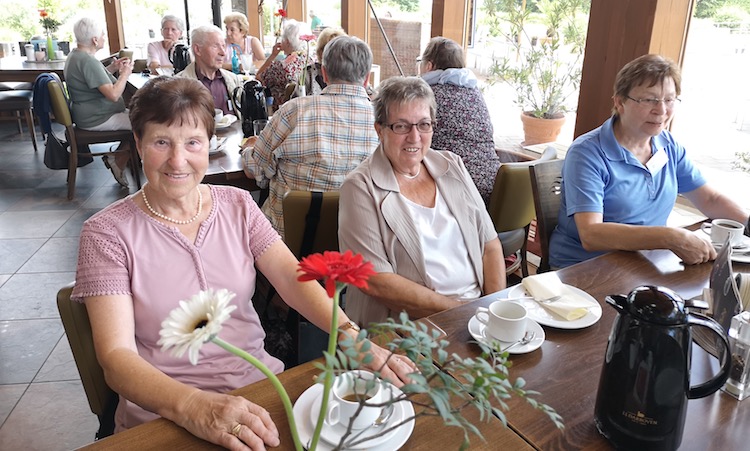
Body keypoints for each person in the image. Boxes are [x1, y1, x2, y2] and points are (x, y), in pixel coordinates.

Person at [71, 77, 413, 447]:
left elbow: (291, 278)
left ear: (209, 144)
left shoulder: (237, 204)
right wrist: (194, 407)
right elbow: (116, 357)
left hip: (258, 390)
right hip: (164, 413)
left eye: (192, 142)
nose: (178, 160)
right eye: (161, 142)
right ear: (138, 144)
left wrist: (351, 336)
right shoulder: (105, 233)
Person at [550, 54, 750, 268]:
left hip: (645, 263)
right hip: (585, 268)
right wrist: (670, 237)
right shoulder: (587, 153)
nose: (661, 110)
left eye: (669, 100)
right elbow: (591, 234)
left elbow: (709, 199)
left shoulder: (668, 145)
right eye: (649, 100)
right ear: (620, 102)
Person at [338, 77, 506, 328]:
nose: (414, 137)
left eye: (424, 125)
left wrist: (494, 310)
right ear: (379, 130)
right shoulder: (360, 187)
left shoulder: (452, 166)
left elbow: (489, 246)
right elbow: (377, 281)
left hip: (477, 315)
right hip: (408, 329)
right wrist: (463, 314)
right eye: (401, 126)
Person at [243, 36, 378, 238]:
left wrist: (248, 149)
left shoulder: (294, 111)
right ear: (367, 78)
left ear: (324, 73)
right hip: (354, 244)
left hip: (282, 245)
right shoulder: (384, 122)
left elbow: (256, 170)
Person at [419, 36, 500, 205]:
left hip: (455, 190)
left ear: (429, 66)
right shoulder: (475, 92)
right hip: (494, 189)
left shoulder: (427, 96)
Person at [64, 17, 134, 187]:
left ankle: (117, 157)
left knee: (143, 119)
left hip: (88, 115)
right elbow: (114, 95)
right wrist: (125, 74)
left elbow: (91, 80)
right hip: (97, 118)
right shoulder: (88, 61)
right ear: (95, 40)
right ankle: (118, 159)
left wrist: (113, 68)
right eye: (102, 35)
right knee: (147, 124)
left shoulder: (75, 56)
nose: (104, 37)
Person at [175, 25, 241, 115]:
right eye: (215, 46)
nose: (223, 53)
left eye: (223, 46)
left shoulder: (234, 80)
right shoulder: (178, 85)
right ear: (197, 50)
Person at [255, 19, 312, 107]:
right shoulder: (311, 61)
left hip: (285, 110)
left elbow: (258, 77)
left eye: (282, 39)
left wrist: (273, 55)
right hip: (308, 108)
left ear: (287, 42)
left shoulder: (280, 67)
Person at [308, 26, 347, 93]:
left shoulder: (350, 73)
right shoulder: (309, 72)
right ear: (320, 52)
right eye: (328, 49)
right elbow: (296, 97)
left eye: (338, 50)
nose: (333, 54)